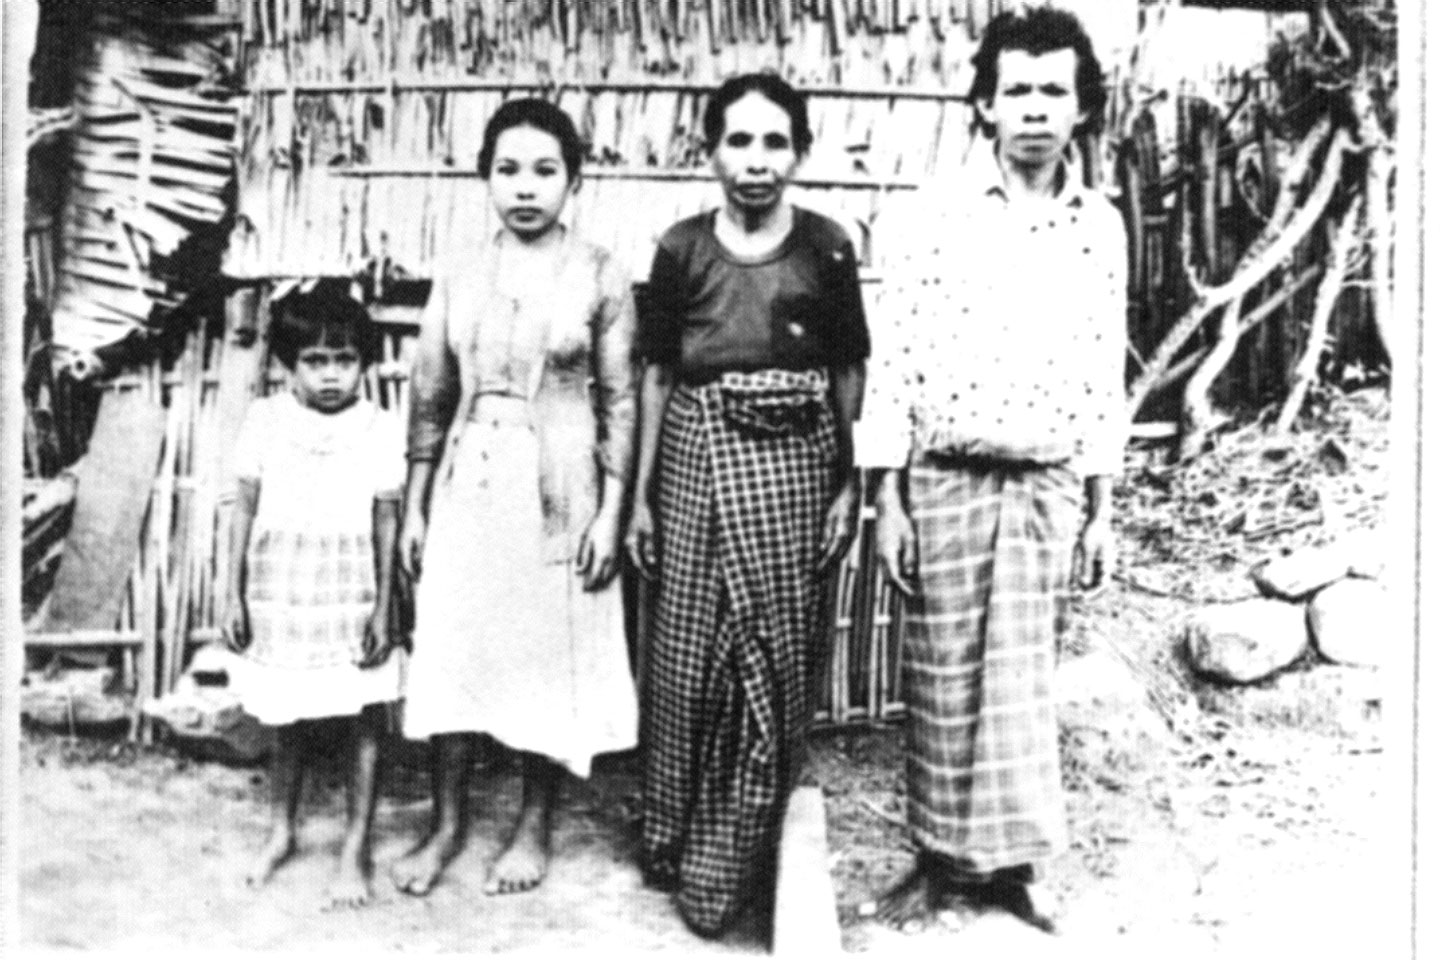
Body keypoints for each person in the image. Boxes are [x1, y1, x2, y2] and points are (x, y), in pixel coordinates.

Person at [861, 5, 1127, 933]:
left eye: (1055, 91)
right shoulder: (930, 218)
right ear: (983, 105)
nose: (1035, 109)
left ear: (1081, 110)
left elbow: (1103, 365)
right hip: (945, 478)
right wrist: (885, 500)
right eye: (1016, 90)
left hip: (1048, 485)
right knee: (938, 675)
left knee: (1020, 686)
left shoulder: (1100, 225)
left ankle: (1013, 867)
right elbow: (893, 362)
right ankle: (934, 864)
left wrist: (1101, 509)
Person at [625, 72, 870, 936]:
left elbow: (847, 373)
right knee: (687, 651)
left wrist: (850, 483)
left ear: (799, 153)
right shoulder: (682, 249)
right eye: (739, 141)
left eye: (775, 143)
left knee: (775, 652)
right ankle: (671, 831)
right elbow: (656, 373)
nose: (756, 163)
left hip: (796, 468)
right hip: (692, 459)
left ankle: (748, 839)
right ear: (711, 151)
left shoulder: (827, 249)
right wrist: (645, 500)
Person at [390, 98, 639, 898]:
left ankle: (533, 825)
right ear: (484, 178)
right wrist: (418, 503)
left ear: (574, 180)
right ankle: (448, 822)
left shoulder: (600, 272)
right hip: (473, 485)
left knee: (545, 656)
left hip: (563, 491)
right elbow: (431, 394)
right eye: (508, 170)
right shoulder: (462, 271)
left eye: (545, 170)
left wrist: (611, 510)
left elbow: (620, 400)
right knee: (455, 649)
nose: (525, 187)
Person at [219, 284, 404, 909]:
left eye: (345, 360)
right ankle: (281, 831)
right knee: (287, 716)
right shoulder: (267, 420)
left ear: (365, 363)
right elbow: (242, 505)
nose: (331, 375)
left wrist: (385, 605)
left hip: (351, 590)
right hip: (281, 588)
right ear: (286, 364)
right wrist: (234, 591)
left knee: (363, 715)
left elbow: (386, 518)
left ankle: (355, 846)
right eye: (315, 361)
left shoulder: (379, 426)